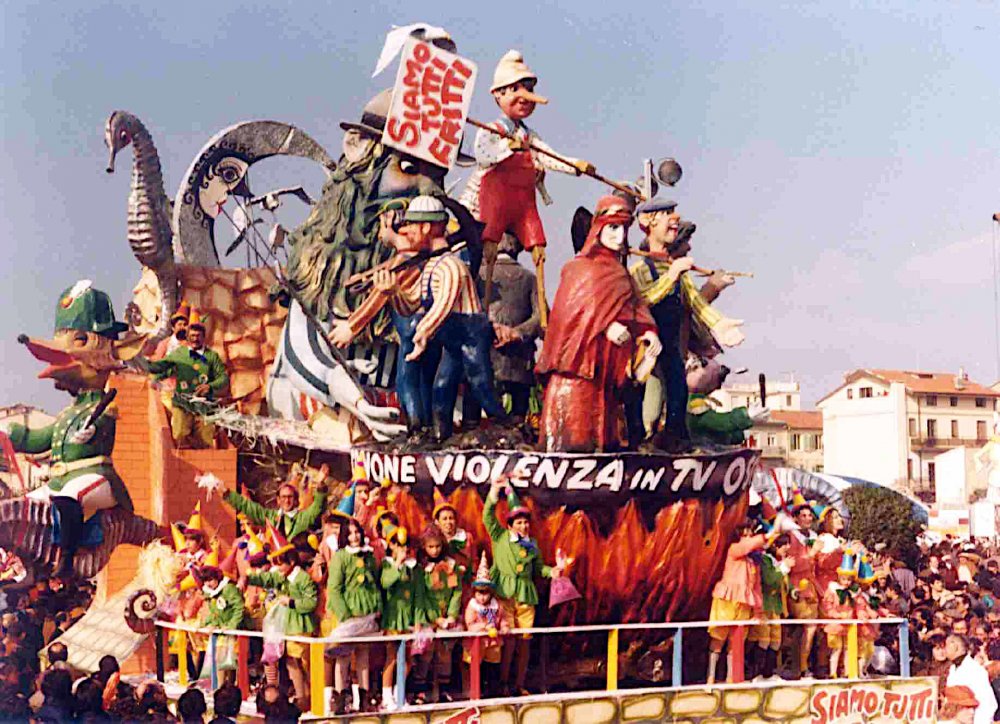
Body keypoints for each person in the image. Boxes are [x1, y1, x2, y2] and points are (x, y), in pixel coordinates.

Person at [460, 49, 594, 319]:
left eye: (528, 89)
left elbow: (546, 154)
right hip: (492, 199)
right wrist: (506, 149)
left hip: (522, 202)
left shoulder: (528, 135)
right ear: (498, 94)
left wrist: (573, 165)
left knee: (539, 248)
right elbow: (484, 155)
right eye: (514, 89)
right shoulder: (494, 129)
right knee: (488, 248)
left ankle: (543, 313)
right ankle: (483, 307)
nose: (524, 97)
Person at [536, 195, 661, 452]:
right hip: (577, 376)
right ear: (598, 229)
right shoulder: (578, 269)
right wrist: (605, 326)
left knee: (604, 442)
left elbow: (636, 310)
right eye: (613, 228)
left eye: (624, 229)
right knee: (574, 441)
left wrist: (649, 334)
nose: (620, 236)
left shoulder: (621, 274)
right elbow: (568, 318)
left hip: (605, 378)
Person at [628, 203, 743, 448]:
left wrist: (720, 324)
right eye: (667, 215)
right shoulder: (639, 269)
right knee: (647, 406)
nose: (674, 219)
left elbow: (697, 303)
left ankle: (674, 440)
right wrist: (671, 276)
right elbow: (641, 302)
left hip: (671, 348)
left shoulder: (678, 270)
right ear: (648, 222)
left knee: (678, 392)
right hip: (647, 350)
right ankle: (642, 442)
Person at [400, 196, 509, 440]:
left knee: (480, 382)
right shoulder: (431, 267)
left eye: (411, 226)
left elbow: (442, 307)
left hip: (470, 333)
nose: (405, 232)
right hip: (453, 338)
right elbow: (411, 304)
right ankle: (441, 436)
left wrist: (422, 335)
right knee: (442, 386)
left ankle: (506, 426)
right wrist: (393, 292)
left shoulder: (451, 267)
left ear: (426, 227)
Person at [327, 198, 437, 435]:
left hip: (412, 327)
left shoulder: (410, 261)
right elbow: (386, 268)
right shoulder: (408, 256)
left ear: (390, 220)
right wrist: (364, 277)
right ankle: (423, 427)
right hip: (415, 326)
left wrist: (352, 326)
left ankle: (418, 429)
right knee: (419, 379)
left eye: (380, 223)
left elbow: (381, 295)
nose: (378, 231)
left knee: (407, 381)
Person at [482, 475, 563, 695]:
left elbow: (538, 568)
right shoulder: (500, 536)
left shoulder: (533, 545)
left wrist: (553, 572)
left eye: (526, 522)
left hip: (526, 597)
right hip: (505, 595)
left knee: (524, 643)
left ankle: (519, 684)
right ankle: (503, 684)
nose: (523, 525)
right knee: (507, 642)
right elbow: (487, 516)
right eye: (518, 522)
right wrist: (495, 491)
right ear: (510, 524)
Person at [465, 232, 541, 424]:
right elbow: (541, 318)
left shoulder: (475, 276)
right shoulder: (530, 278)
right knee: (517, 418)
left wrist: (491, 328)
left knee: (472, 417)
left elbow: (466, 313)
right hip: (519, 359)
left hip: (481, 357)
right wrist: (517, 333)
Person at [244, 547, 317, 712]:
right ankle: (302, 698)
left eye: (280, 564)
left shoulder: (303, 578)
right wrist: (248, 578)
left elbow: (311, 602)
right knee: (292, 663)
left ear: (291, 562)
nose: (277, 568)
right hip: (287, 628)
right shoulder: (281, 576)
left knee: (305, 665)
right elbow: (267, 578)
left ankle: (312, 695)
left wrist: (291, 602)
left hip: (301, 627)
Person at [147, 309, 229, 448]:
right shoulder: (180, 353)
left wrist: (210, 386)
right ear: (188, 336)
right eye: (192, 336)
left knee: (205, 439)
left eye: (198, 335)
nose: (195, 339)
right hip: (182, 403)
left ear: (204, 337)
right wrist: (153, 374)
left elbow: (223, 378)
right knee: (179, 435)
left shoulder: (211, 356)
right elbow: (164, 367)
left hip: (204, 405)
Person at [327, 517, 381, 715]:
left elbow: (374, 583)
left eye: (357, 532)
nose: (354, 536)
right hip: (348, 614)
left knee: (363, 656)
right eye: (349, 533)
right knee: (342, 657)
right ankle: (340, 698)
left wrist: (377, 607)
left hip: (367, 612)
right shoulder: (340, 557)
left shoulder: (368, 555)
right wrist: (345, 614)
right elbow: (334, 588)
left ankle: (364, 699)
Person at [706, 522, 766, 685]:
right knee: (718, 640)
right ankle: (710, 678)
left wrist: (758, 612)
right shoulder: (734, 550)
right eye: (744, 535)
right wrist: (769, 535)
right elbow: (746, 547)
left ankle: (730, 679)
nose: (748, 538)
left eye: (750, 535)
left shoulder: (754, 562)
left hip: (744, 603)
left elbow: (757, 588)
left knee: (736, 642)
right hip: (727, 599)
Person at [379, 523, 426, 709]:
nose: (403, 550)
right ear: (391, 546)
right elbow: (385, 583)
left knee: (407, 661)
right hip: (392, 618)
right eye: (399, 546)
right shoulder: (387, 565)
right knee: (391, 657)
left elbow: (418, 595)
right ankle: (386, 696)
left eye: (406, 546)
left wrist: (417, 621)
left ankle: (400, 694)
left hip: (407, 619)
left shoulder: (414, 568)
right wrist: (397, 564)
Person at [415, 525, 464, 703]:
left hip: (447, 617)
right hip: (429, 617)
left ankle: (444, 690)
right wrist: (434, 617)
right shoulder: (421, 569)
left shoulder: (450, 566)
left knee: (445, 653)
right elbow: (421, 596)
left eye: (437, 546)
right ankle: (421, 691)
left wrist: (451, 615)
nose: (434, 550)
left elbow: (457, 591)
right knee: (426, 654)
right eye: (430, 547)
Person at [220, 475, 326, 540]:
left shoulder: (302, 518)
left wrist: (320, 490)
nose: (287, 500)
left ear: (295, 500)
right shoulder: (271, 517)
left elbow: (316, 508)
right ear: (278, 500)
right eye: (283, 497)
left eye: (290, 497)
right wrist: (228, 495)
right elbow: (248, 506)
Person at [463, 553, 511, 698]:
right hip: (477, 643)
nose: (482, 597)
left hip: (493, 643)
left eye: (485, 593)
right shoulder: (472, 607)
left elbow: (502, 618)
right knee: (475, 667)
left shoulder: (497, 606)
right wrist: (484, 626)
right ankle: (475, 692)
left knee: (493, 667)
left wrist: (504, 626)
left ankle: (492, 690)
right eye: (479, 593)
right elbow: (470, 624)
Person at [748, 533, 790, 681]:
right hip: (765, 604)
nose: (787, 547)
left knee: (776, 640)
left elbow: (784, 585)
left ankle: (769, 672)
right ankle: (757, 671)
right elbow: (769, 580)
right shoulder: (765, 560)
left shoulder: (781, 562)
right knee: (763, 638)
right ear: (774, 545)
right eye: (784, 544)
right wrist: (784, 568)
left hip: (776, 606)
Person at [946, 634, 998, 724]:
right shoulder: (952, 669)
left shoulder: (975, 670)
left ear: (954, 646)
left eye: (946, 645)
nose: (945, 650)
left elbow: (987, 704)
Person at [823, 551, 859, 679]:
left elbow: (857, 606)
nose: (847, 582)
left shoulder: (852, 593)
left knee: (848, 649)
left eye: (849, 579)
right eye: (844, 579)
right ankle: (833, 672)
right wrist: (837, 615)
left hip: (848, 625)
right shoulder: (832, 591)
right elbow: (827, 607)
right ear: (839, 578)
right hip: (835, 624)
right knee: (836, 649)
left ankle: (847, 672)